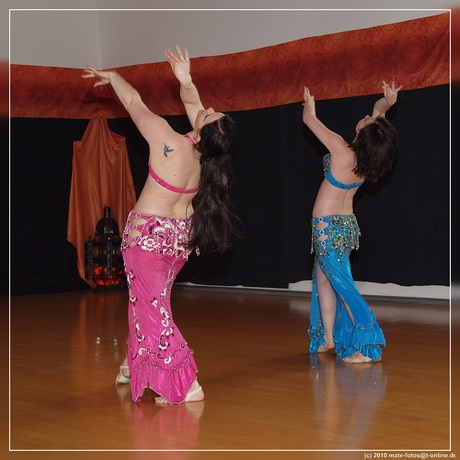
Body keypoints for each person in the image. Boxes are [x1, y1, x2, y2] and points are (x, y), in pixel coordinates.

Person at [83, 45, 236, 403]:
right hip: (179, 239)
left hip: (147, 238)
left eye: (210, 114)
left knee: (153, 307)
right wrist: (185, 80)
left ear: (201, 131)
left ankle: (186, 383)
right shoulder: (209, 158)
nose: (206, 108)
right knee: (150, 301)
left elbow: (133, 103)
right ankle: (131, 364)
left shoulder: (169, 140)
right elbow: (194, 103)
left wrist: (114, 77)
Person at [302, 81, 402, 364]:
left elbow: (309, 120)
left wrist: (309, 104)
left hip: (328, 229)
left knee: (345, 290)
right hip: (344, 226)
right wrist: (388, 102)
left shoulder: (342, 151)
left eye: (368, 120)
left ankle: (368, 347)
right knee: (324, 281)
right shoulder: (365, 157)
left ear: (364, 133)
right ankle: (329, 338)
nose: (368, 116)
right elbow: (378, 112)